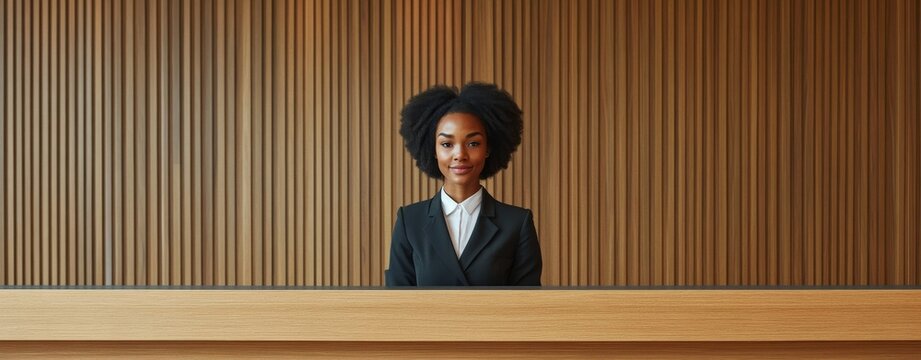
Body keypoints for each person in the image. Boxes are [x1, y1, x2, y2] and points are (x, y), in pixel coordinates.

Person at [386, 82, 542, 286]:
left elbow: (528, 307)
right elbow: (396, 304)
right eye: (447, 144)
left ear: (488, 148)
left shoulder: (517, 224)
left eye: (473, 143)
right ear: (432, 149)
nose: (460, 154)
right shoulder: (409, 222)